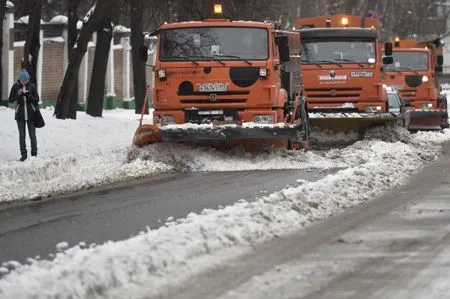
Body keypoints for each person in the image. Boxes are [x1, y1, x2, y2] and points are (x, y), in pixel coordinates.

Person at [8, 69, 40, 161]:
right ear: (20, 79)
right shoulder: (15, 86)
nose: (24, 82)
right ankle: (24, 154)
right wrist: (18, 94)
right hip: (20, 114)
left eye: (26, 80)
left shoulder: (32, 86)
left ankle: (34, 154)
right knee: (22, 135)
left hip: (31, 114)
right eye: (23, 80)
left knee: (32, 135)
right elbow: (10, 100)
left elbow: (37, 99)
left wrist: (29, 96)